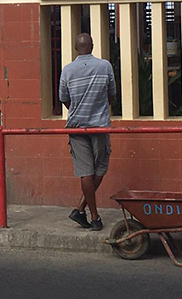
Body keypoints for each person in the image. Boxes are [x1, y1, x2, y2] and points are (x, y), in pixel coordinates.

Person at [59, 33, 116, 232]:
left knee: (86, 173)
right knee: (99, 169)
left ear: (76, 48)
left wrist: (78, 111)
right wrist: (97, 109)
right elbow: (111, 95)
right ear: (92, 46)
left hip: (76, 126)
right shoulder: (105, 66)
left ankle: (86, 212)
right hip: (99, 125)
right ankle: (91, 215)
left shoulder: (67, 71)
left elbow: (64, 99)